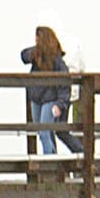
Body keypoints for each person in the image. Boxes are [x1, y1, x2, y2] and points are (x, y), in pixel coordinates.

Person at [20, 26, 81, 154]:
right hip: (36, 98)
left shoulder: (57, 61)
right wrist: (36, 51)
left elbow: (65, 84)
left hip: (50, 99)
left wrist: (60, 104)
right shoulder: (37, 57)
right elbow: (24, 56)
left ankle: (49, 158)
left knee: (44, 132)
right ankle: (52, 155)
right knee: (42, 131)